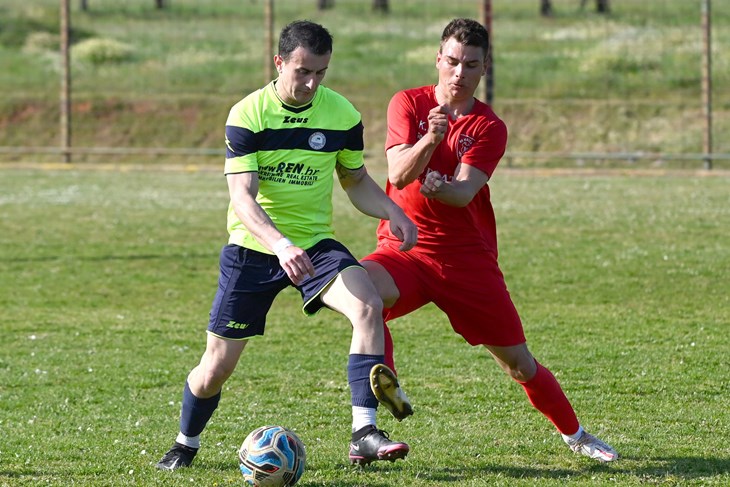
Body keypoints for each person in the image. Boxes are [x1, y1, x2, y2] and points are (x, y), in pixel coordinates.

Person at [156, 20, 417, 471]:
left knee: (367, 305)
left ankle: (364, 432)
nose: (312, 83)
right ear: (279, 63)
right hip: (254, 248)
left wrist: (392, 210)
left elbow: (354, 180)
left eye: (321, 72)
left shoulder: (342, 115)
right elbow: (242, 196)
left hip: (315, 244)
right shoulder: (248, 114)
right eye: (303, 72)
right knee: (215, 368)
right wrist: (278, 244)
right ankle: (186, 441)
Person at [361, 18, 619, 463]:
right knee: (360, 289)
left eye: (471, 65)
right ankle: (388, 386)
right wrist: (431, 138)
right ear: (438, 59)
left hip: (466, 261)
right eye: (452, 62)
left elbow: (462, 194)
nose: (459, 73)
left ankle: (575, 434)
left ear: (484, 69)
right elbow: (398, 172)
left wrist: (440, 185)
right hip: (406, 249)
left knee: (519, 363)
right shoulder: (406, 103)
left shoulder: (489, 127)